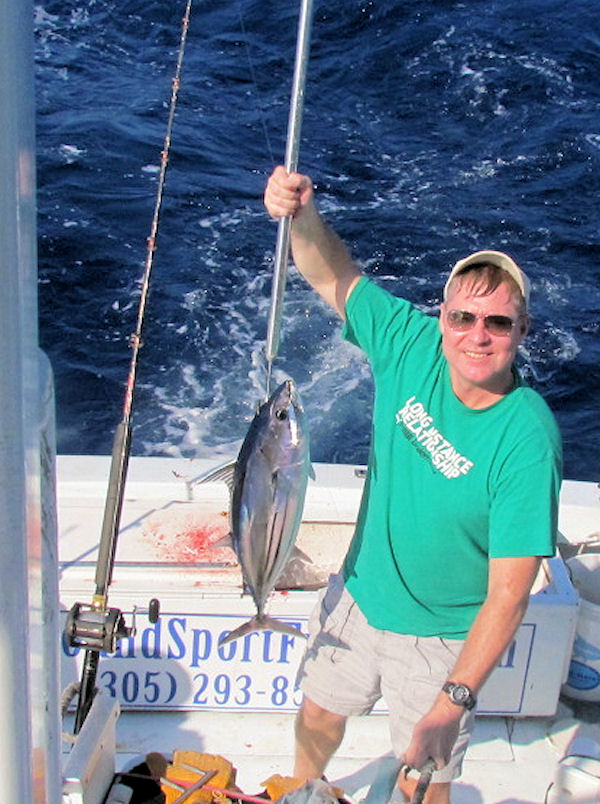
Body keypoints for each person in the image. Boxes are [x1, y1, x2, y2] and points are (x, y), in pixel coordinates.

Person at [263, 165, 562, 804]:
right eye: (463, 317)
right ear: (443, 317)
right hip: (360, 594)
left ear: (522, 332)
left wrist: (454, 699)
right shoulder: (411, 344)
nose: (477, 335)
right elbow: (331, 275)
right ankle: (307, 789)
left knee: (422, 775)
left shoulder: (526, 437)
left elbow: (509, 596)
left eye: (498, 323)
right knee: (318, 713)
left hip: (440, 637)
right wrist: (301, 213)